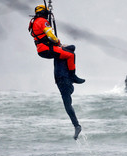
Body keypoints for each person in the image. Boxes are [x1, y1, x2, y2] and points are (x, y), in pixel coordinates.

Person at [28, 5, 85, 140]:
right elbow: (50, 34)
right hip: (47, 51)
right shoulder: (42, 21)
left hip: (43, 50)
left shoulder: (35, 22)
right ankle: (73, 76)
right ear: (44, 13)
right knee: (70, 55)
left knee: (69, 52)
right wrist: (59, 43)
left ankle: (76, 125)